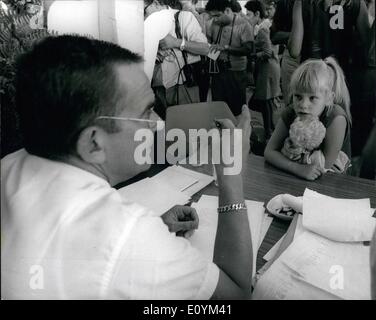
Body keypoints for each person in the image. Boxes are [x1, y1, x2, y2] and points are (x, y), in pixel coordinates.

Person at [1, 35, 253, 299]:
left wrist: (153, 232)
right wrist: (231, 177)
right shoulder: (130, 236)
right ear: (94, 143)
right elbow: (235, 295)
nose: (157, 124)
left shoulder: (9, 166)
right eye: (145, 113)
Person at [264, 57, 352, 181]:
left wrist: (285, 159)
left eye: (312, 98)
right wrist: (297, 168)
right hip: (295, 178)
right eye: (298, 96)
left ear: (328, 98)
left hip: (333, 184)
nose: (303, 105)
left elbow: (323, 167)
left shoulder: (336, 118)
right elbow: (269, 151)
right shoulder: (291, 111)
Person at [144, 0, 209, 118]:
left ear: (155, 3)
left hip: (183, 84)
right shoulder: (148, 24)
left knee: (187, 126)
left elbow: (205, 49)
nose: (143, 15)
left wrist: (176, 42)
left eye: (144, 10)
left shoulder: (183, 17)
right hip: (158, 87)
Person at [205, 0, 254, 116]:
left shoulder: (244, 24)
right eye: (212, 16)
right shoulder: (214, 24)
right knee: (218, 108)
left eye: (217, 16)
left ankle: (238, 133)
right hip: (218, 73)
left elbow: (249, 50)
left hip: (236, 74)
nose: (215, 19)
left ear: (227, 11)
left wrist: (226, 48)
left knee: (236, 110)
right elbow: (213, 46)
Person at [245, 0, 281, 139]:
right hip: (268, 68)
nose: (247, 18)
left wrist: (253, 55)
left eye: (249, 15)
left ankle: (269, 131)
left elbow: (267, 52)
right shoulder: (263, 27)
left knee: (264, 101)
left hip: (267, 69)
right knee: (267, 101)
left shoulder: (262, 30)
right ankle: (270, 128)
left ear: (257, 14)